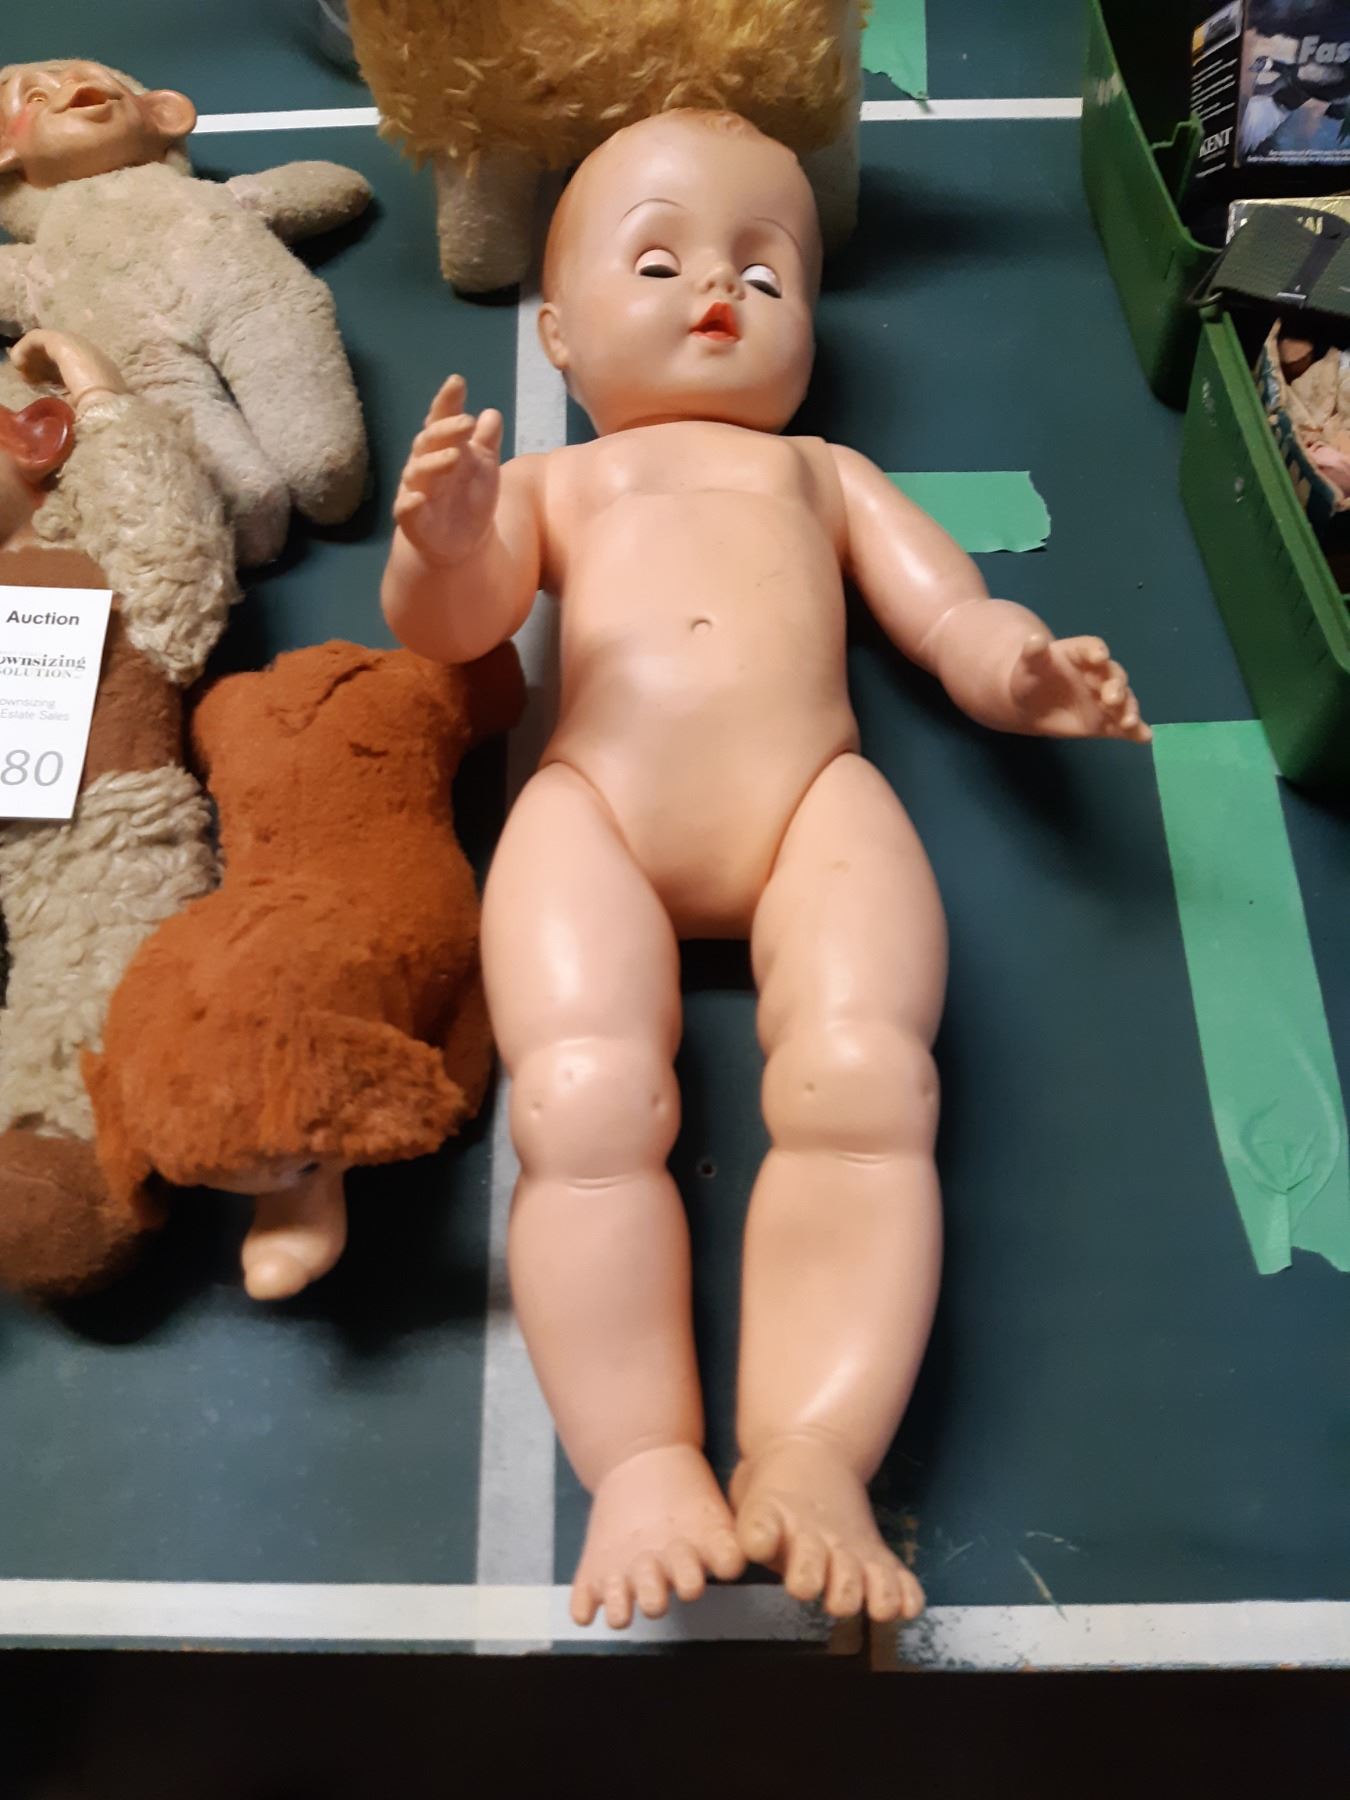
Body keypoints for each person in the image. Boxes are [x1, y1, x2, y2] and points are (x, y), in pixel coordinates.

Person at [382, 108, 1148, 1630]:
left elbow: (948, 612)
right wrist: (449, 540)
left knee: (868, 1081)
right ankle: (641, 1464)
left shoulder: (820, 473)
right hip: (596, 809)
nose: (718, 291)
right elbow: (452, 626)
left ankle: (812, 1452)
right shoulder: (559, 481)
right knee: (583, 1099)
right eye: (657, 261)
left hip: (810, 805)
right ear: (557, 332)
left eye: (765, 270)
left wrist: (1019, 674)